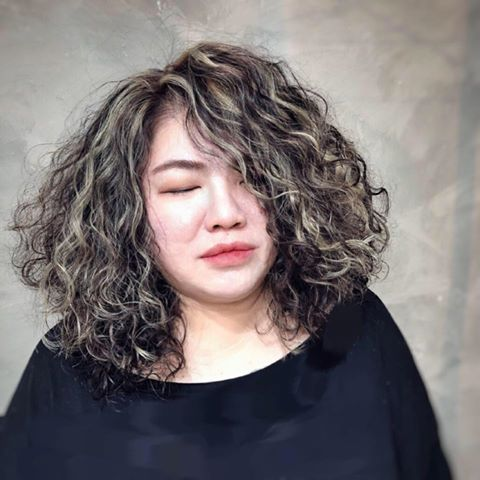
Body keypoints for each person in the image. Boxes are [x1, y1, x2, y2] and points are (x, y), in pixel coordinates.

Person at [0, 41, 453, 479]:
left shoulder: (357, 327)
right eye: (182, 187)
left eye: (254, 177)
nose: (226, 214)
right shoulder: (66, 371)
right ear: (124, 212)